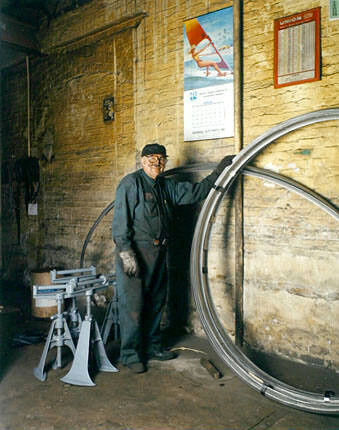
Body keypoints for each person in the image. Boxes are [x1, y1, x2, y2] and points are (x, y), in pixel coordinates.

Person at [112, 143, 234, 373]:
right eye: (151, 159)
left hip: (159, 252)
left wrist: (219, 171)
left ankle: (152, 346)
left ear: (165, 162)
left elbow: (196, 192)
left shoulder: (166, 185)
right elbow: (120, 222)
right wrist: (127, 254)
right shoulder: (130, 184)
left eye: (160, 159)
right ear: (142, 160)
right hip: (135, 253)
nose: (156, 163)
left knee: (157, 300)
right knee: (133, 305)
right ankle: (129, 355)